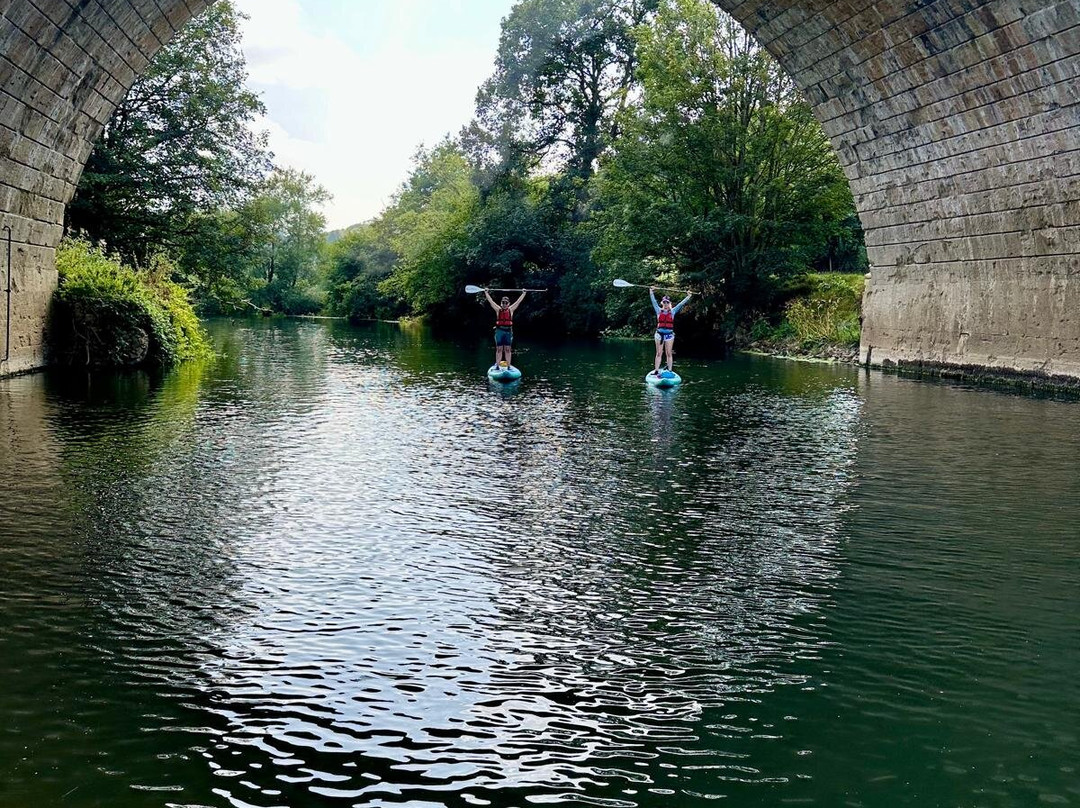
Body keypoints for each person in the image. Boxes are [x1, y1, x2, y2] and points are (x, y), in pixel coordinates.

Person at [650, 287, 692, 375]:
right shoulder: (658, 310)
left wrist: (688, 296)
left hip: (669, 335)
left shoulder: (673, 311)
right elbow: (653, 301)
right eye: (664, 302)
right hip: (659, 335)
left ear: (669, 303)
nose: (665, 304)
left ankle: (669, 370)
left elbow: (681, 304)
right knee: (659, 353)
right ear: (662, 303)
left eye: (667, 302)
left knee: (669, 353)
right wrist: (651, 292)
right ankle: (656, 370)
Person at [485, 289, 526, 368]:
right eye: (503, 302)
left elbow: (518, 301)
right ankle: (497, 365)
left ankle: (508, 366)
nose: (504, 304)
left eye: (506, 303)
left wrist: (523, 293)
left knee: (507, 349)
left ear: (508, 303)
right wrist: (486, 292)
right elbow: (491, 301)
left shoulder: (511, 309)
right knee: (499, 349)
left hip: (508, 331)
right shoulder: (498, 309)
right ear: (501, 303)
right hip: (499, 331)